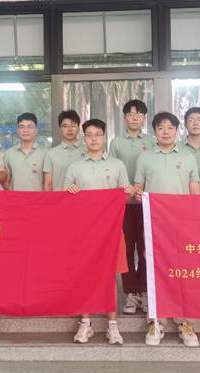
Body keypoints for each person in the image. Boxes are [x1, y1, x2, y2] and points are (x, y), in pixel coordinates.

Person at [65, 118, 134, 345]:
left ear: (104, 137)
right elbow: (64, 197)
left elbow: (125, 198)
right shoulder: (75, 166)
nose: (93, 138)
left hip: (111, 230)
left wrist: (128, 193)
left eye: (98, 134)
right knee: (84, 274)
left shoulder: (117, 165)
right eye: (89, 135)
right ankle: (86, 323)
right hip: (83, 230)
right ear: (83, 138)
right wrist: (69, 191)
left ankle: (112, 325)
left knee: (110, 275)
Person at [134, 111, 200, 347]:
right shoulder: (145, 157)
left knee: (183, 270)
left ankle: (185, 321)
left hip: (182, 224)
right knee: (155, 269)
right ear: (154, 131)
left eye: (170, 127)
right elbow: (138, 188)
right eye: (160, 127)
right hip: (153, 222)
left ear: (177, 130)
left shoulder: (188, 157)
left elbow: (195, 192)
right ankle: (156, 320)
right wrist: (138, 194)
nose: (165, 131)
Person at [109, 99, 155, 315]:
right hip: (124, 203)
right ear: (125, 117)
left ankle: (145, 291)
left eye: (139, 114)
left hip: (147, 203)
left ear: (144, 118)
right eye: (130, 114)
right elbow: (111, 169)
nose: (135, 118)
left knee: (146, 248)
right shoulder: (116, 143)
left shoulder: (153, 141)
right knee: (126, 248)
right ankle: (130, 292)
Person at [43, 110, 85, 192]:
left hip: (83, 198)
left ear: (79, 128)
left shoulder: (88, 151)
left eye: (73, 125)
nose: (69, 129)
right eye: (65, 126)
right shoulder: (51, 154)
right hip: (59, 198)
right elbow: (48, 184)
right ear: (60, 128)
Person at [3, 113, 47, 191]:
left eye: (30, 127)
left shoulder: (46, 153)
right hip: (15, 198)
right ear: (18, 130)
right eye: (22, 127)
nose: (25, 130)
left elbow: (48, 183)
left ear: (36, 131)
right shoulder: (9, 153)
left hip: (38, 198)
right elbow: (6, 182)